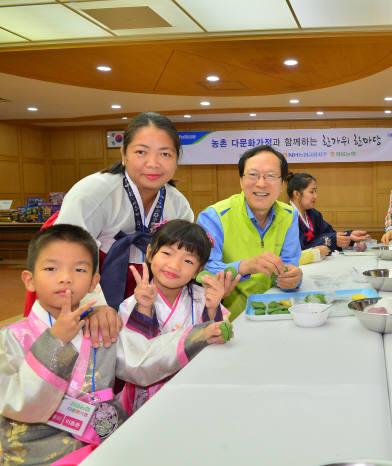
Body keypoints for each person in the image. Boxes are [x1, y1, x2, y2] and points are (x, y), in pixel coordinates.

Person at [0, 224, 228, 464]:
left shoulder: (100, 327)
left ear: (93, 283)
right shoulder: (11, 338)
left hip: (104, 436)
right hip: (40, 449)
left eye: (79, 269)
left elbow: (142, 359)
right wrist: (55, 340)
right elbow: (15, 403)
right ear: (29, 280)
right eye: (51, 268)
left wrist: (200, 334)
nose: (65, 278)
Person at [48, 112, 194, 348]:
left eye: (165, 154)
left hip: (145, 289)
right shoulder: (93, 191)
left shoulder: (178, 204)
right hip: (86, 282)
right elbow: (66, 255)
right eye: (141, 152)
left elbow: (186, 257)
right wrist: (95, 305)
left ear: (177, 158)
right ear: (123, 154)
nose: (153, 163)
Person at [117, 220, 239, 413]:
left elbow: (220, 338)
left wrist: (213, 309)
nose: (174, 265)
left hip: (195, 389)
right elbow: (136, 357)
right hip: (147, 397)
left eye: (188, 261)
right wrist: (145, 309)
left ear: (199, 270)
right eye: (167, 253)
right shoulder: (132, 304)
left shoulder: (203, 298)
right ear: (150, 253)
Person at [197, 145, 302, 319]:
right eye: (253, 175)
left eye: (270, 176)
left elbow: (289, 264)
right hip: (228, 321)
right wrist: (244, 267)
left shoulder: (289, 215)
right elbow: (203, 272)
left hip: (275, 313)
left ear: (283, 184)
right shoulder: (214, 217)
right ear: (241, 180)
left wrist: (293, 277)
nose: (261, 183)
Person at [286, 172, 371, 264]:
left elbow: (330, 234)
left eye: (315, 191)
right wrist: (333, 240)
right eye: (311, 192)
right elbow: (301, 248)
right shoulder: (286, 217)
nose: (315, 196)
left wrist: (350, 237)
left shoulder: (314, 214)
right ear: (297, 194)